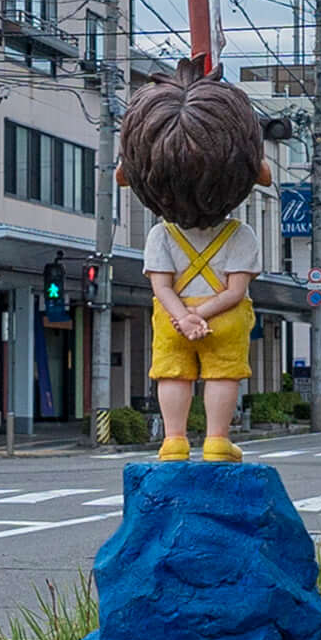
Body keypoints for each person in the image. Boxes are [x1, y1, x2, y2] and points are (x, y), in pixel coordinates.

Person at [121, 70, 269, 461]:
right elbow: (237, 290)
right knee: (223, 373)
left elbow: (161, 286)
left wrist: (183, 318)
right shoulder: (242, 235)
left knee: (173, 373)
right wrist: (202, 314)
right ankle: (218, 440)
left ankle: (174, 440)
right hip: (223, 315)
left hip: (172, 318)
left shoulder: (160, 235)